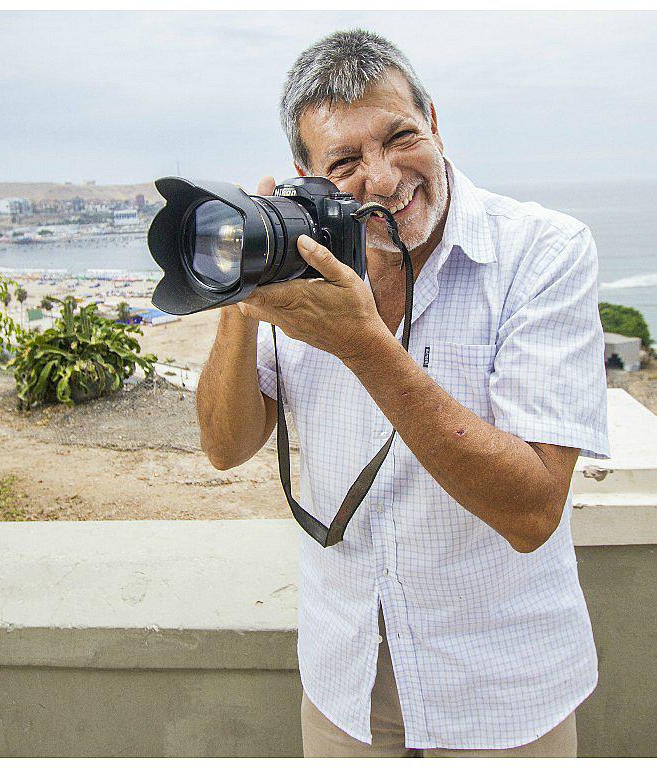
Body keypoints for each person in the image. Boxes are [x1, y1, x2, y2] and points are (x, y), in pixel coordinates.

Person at [194, 29, 610, 758]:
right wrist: (241, 294)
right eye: (345, 162)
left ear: (436, 123)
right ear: (306, 175)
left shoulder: (542, 251)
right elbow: (226, 447)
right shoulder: (302, 272)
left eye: (400, 137)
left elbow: (534, 510)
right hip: (344, 683)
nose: (382, 179)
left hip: (502, 693)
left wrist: (363, 344)